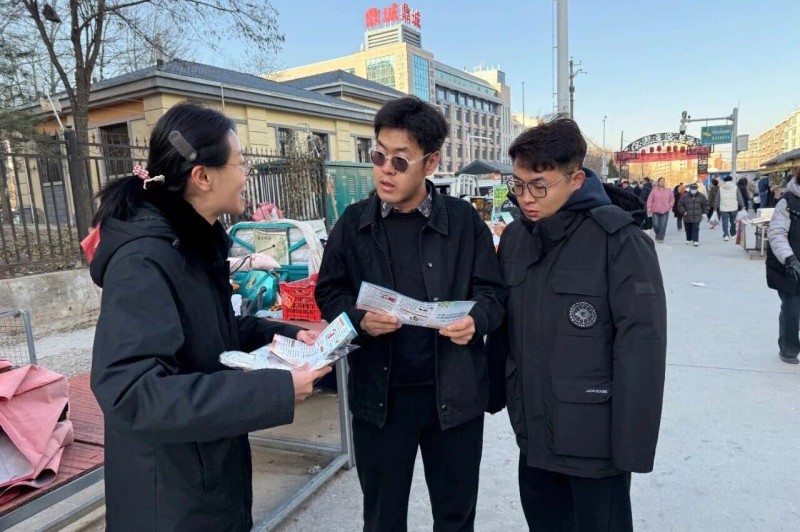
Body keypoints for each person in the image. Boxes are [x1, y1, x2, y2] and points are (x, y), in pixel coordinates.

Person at [87, 102, 330, 530]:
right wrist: (274, 391)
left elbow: (211, 331)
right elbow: (133, 395)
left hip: (208, 478)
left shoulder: (192, 245)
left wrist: (286, 336)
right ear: (202, 176)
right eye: (241, 162)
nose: (246, 174)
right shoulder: (144, 262)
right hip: (169, 501)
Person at [314, 96, 507, 532]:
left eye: (400, 161)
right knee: (382, 517)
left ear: (431, 162)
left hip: (453, 396)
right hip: (380, 399)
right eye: (378, 156)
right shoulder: (353, 223)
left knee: (456, 517)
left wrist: (476, 320)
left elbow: (493, 293)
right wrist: (359, 320)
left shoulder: (463, 222)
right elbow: (329, 290)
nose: (385, 170)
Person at [490, 118, 666, 532]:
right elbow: (503, 325)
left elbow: (642, 346)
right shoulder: (516, 239)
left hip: (594, 444)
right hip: (534, 436)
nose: (526, 197)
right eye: (518, 185)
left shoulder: (619, 242)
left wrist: (631, 449)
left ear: (576, 179)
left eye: (539, 186)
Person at [767, 165, 800, 364]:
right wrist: (789, 258)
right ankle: (789, 348)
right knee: (792, 309)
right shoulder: (787, 202)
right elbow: (776, 232)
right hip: (790, 266)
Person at [715, 175, 745, 241]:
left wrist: (715, 208)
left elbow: (717, 199)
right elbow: (739, 197)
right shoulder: (735, 187)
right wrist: (743, 206)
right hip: (733, 207)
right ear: (731, 180)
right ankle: (733, 233)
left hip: (723, 207)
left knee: (725, 221)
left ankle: (726, 235)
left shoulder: (721, 188)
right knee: (733, 221)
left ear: (724, 181)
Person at [647, 177, 674, 243]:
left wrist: (669, 206)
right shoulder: (654, 191)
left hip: (665, 210)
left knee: (663, 225)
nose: (662, 182)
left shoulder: (669, 191)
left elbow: (672, 200)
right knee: (655, 225)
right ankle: (658, 234)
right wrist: (649, 208)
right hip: (655, 210)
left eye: (663, 181)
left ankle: (660, 238)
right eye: (661, 181)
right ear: (658, 182)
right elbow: (650, 200)